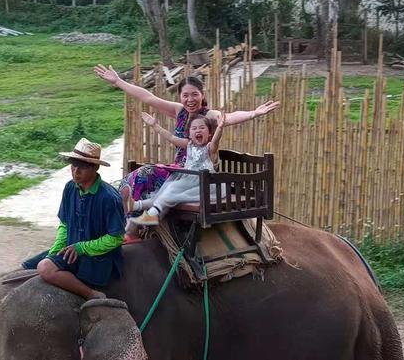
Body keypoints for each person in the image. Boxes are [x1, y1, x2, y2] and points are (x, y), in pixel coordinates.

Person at [93, 65, 279, 213]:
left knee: (145, 173)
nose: (190, 99)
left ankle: (131, 216)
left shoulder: (209, 115)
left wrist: (254, 113)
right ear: (180, 97)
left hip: (195, 174)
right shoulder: (179, 110)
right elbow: (148, 97)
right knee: (141, 174)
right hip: (178, 169)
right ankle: (115, 203)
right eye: (185, 95)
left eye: (195, 94)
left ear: (202, 95)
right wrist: (118, 81)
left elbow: (229, 117)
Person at [22, 138, 125, 300]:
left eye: (82, 167)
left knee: (45, 268)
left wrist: (81, 248)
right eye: (73, 165)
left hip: (96, 256)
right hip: (71, 247)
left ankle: (92, 294)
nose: (75, 171)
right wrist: (56, 249)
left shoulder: (109, 198)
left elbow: (116, 238)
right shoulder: (70, 188)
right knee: (26, 268)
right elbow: (64, 224)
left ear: (95, 167)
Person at [130, 111, 226, 226]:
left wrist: (220, 128)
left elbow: (216, 141)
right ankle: (138, 206)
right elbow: (171, 137)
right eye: (194, 128)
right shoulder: (188, 144)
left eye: (202, 128)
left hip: (204, 183)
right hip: (188, 180)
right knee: (166, 191)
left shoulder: (210, 148)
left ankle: (151, 215)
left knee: (172, 189)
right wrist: (155, 126)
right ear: (189, 134)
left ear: (209, 133)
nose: (198, 130)